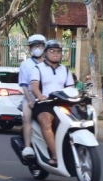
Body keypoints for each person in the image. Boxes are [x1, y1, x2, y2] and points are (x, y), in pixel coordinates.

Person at [29, 39, 75, 168]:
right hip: (45, 104)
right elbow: (34, 87)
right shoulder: (37, 68)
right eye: (52, 51)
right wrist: (40, 96)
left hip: (63, 103)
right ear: (45, 53)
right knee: (46, 121)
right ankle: (55, 156)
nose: (56, 53)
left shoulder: (65, 70)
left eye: (58, 51)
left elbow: (71, 88)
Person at [18, 34, 45, 158]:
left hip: (46, 98)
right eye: (35, 46)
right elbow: (24, 85)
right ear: (30, 48)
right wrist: (29, 101)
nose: (37, 48)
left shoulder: (48, 63)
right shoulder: (25, 64)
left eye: (40, 46)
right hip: (30, 98)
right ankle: (28, 147)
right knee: (27, 117)